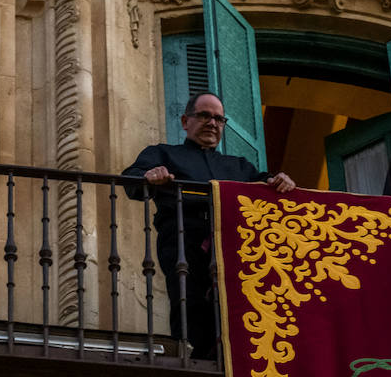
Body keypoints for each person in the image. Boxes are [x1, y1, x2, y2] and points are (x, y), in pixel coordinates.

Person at [123, 93, 294, 357]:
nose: (212, 123)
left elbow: (269, 185)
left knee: (234, 307)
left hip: (233, 248)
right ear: (185, 121)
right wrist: (150, 176)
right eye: (204, 115)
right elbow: (131, 181)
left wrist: (282, 181)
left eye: (218, 118)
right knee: (188, 303)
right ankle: (193, 363)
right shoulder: (163, 154)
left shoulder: (239, 166)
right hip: (183, 241)